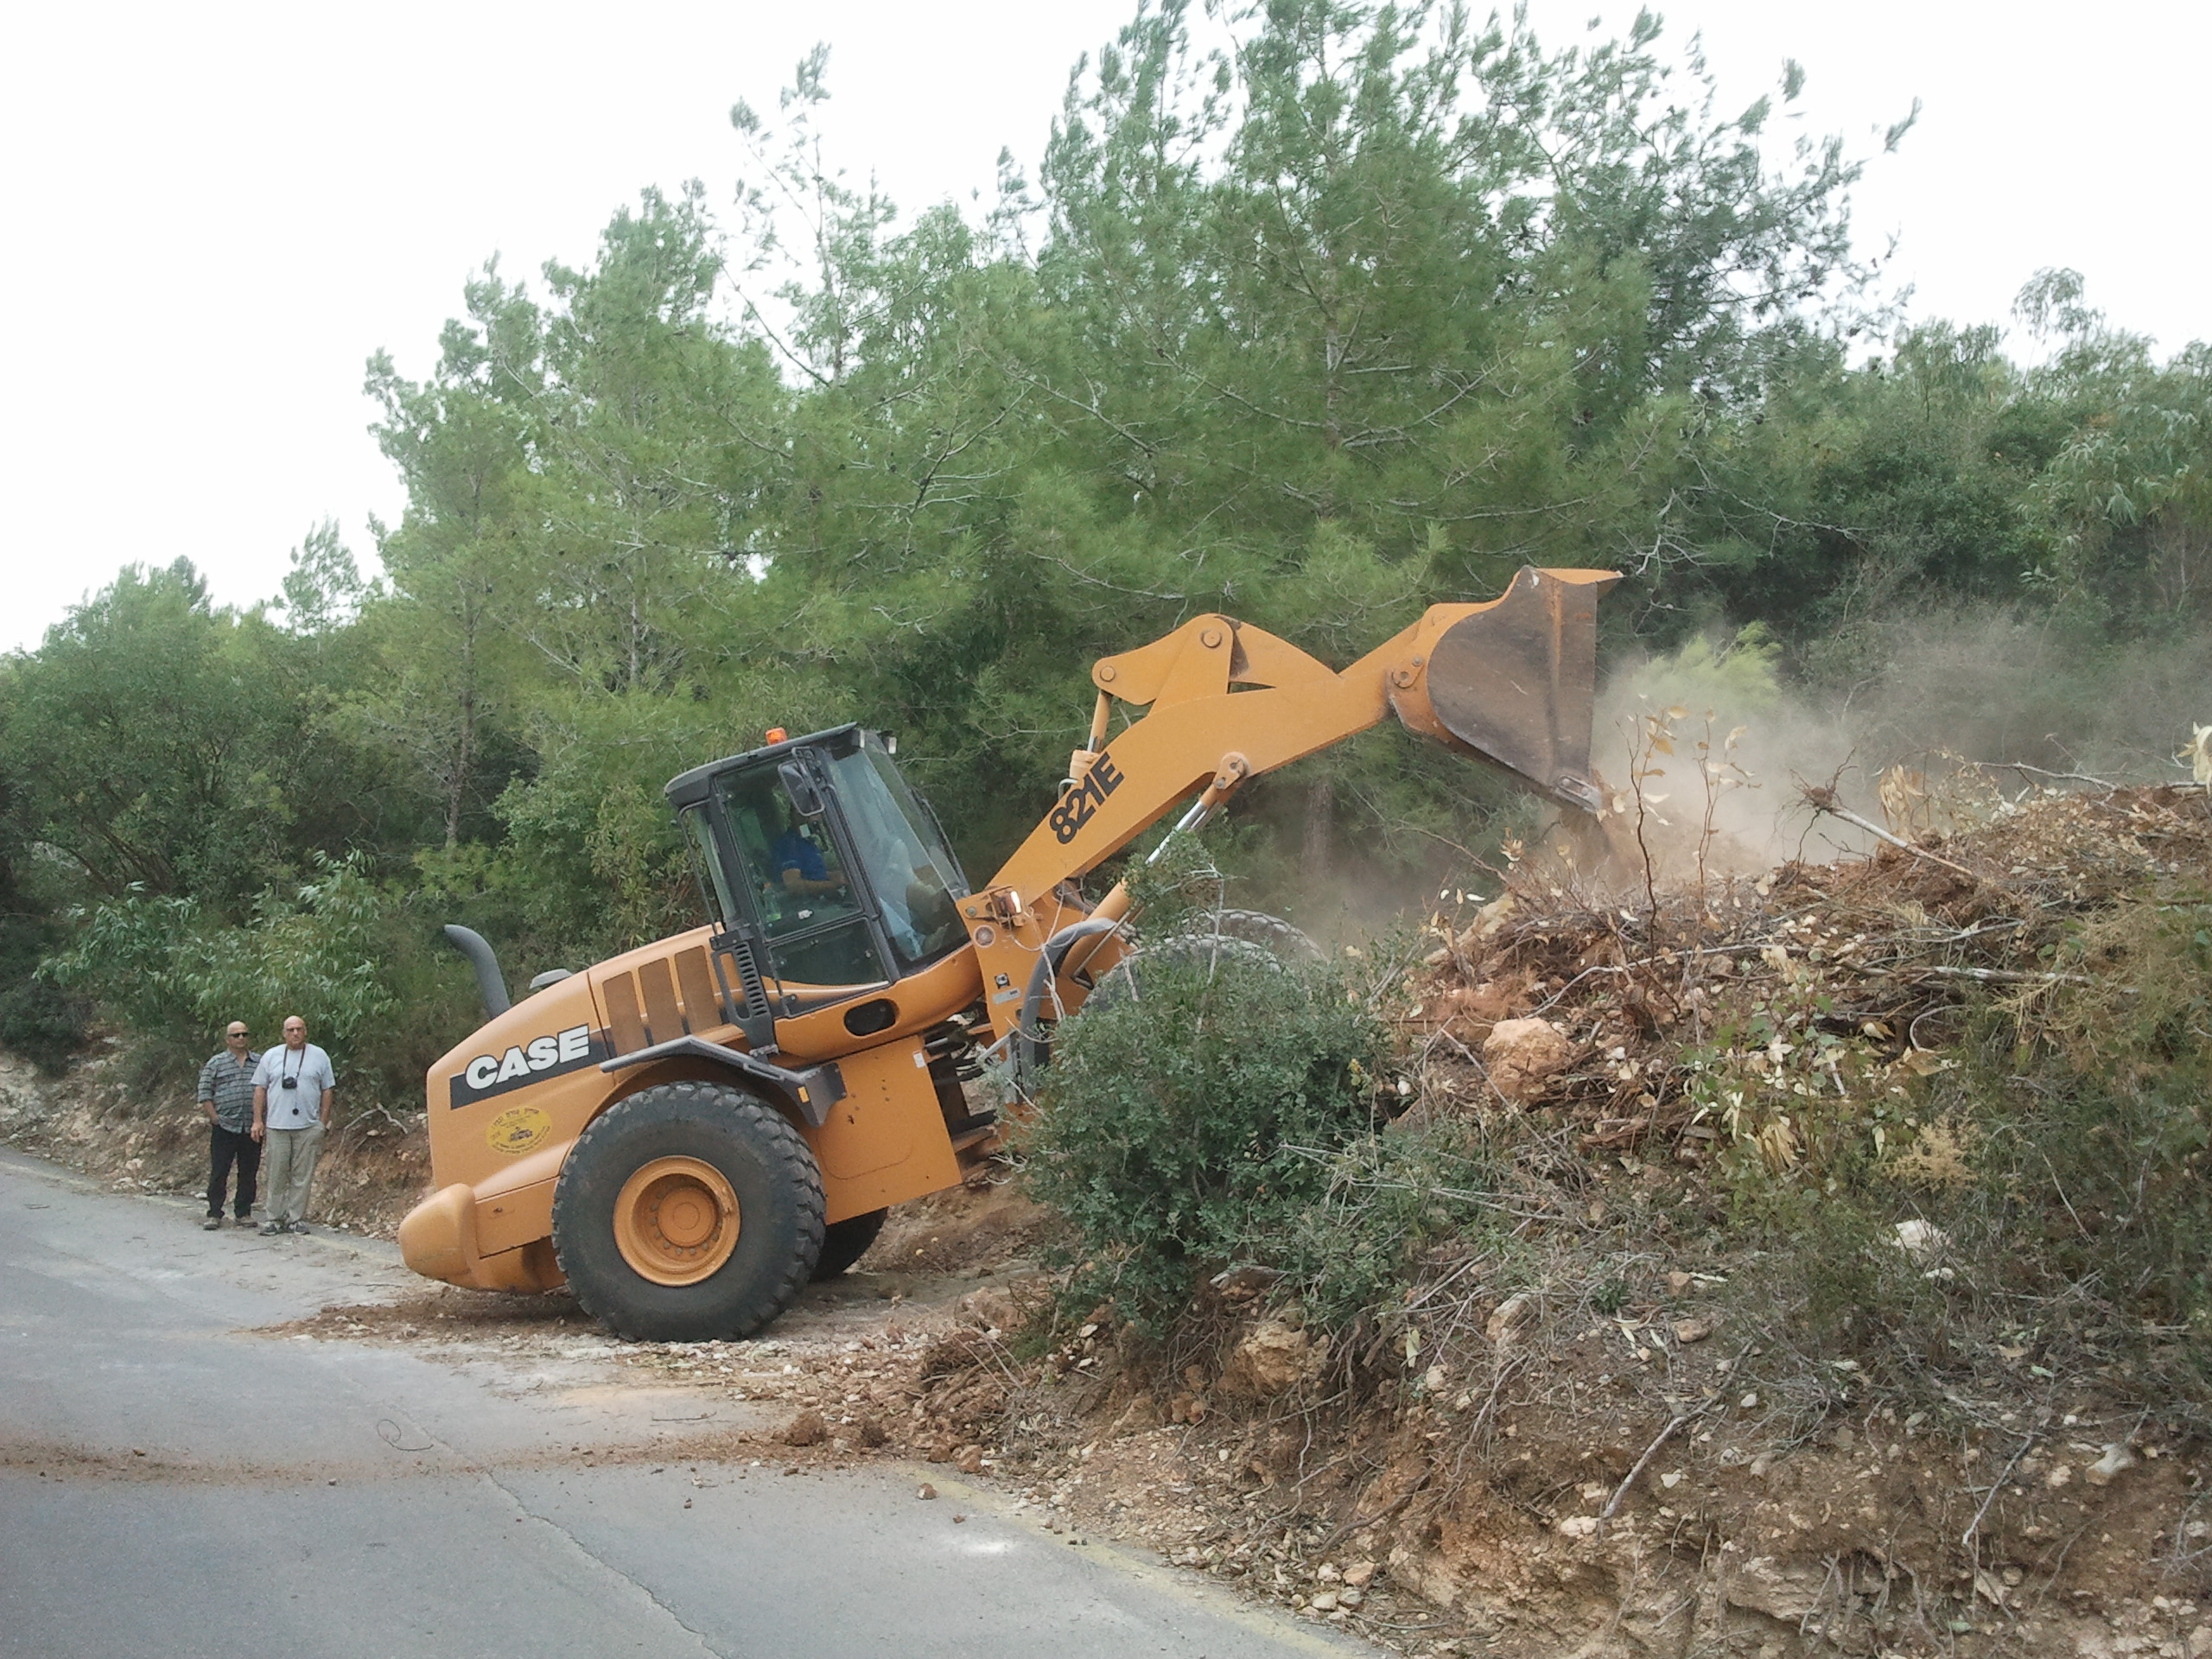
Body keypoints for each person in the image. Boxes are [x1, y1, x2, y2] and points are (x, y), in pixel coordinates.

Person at [251, 1014, 336, 1236]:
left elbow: (328, 1089)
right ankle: (274, 1218)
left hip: (307, 1126)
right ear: (284, 1033)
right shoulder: (271, 1056)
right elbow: (260, 1088)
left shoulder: (319, 1056)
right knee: (277, 1173)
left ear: (305, 1031)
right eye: (290, 1030)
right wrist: (258, 1120)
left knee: (302, 1175)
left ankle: (296, 1218)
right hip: (277, 1125)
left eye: (299, 1029)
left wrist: (322, 1123)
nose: (295, 1033)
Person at [196, 1020, 261, 1230]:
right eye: (236, 1035)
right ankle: (214, 1213)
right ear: (227, 1039)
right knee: (220, 1170)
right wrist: (214, 1117)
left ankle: (243, 1213)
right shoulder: (216, 1063)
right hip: (225, 1126)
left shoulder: (260, 1062)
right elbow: (205, 1092)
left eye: (244, 1034)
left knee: (249, 1172)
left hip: (251, 1127)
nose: (241, 1038)